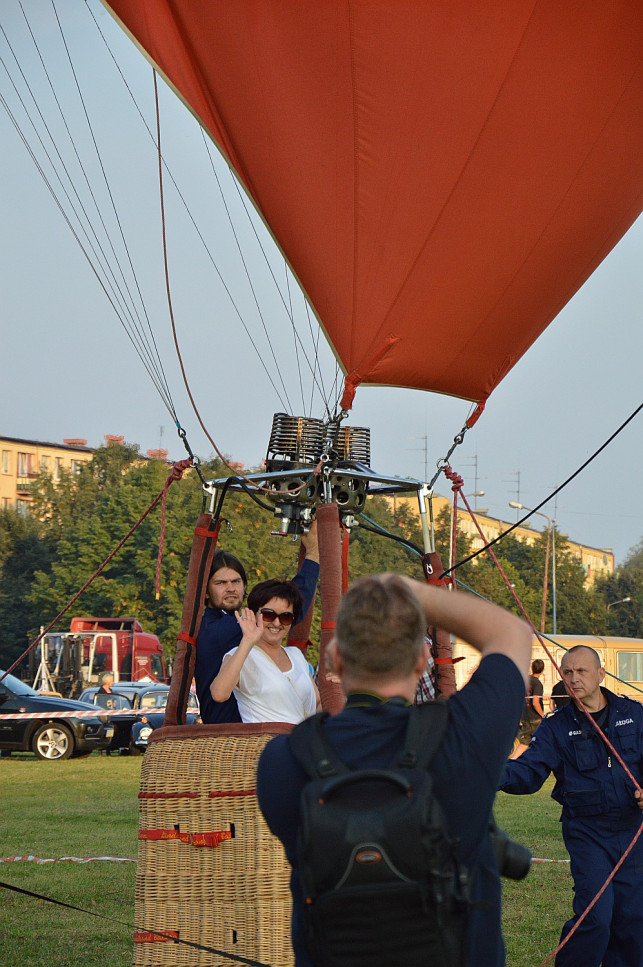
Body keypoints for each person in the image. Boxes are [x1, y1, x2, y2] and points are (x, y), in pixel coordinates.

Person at [256, 573, 531, 967]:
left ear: (334, 660)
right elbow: (512, 633)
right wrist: (410, 591)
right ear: (422, 660)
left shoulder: (282, 761)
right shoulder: (464, 736)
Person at [500, 645, 643, 967]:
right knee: (595, 915)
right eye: (567, 672)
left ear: (601, 674)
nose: (573, 679)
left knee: (632, 919)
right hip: (587, 833)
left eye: (581, 671)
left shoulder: (634, 715)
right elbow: (529, 774)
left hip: (632, 832)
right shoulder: (556, 726)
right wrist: (489, 773)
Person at [194, 522, 319, 723]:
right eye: (220, 583)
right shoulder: (216, 628)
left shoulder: (292, 656)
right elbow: (293, 605)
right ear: (206, 591)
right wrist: (313, 554)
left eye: (236, 582)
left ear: (244, 587)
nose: (230, 588)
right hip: (230, 734)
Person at [210, 578, 321, 724]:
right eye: (269, 615)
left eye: (285, 617)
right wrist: (248, 640)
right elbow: (219, 694)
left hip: (304, 743)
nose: (276, 623)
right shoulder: (240, 656)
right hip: (266, 745)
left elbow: (317, 704)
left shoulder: (295, 655)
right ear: (254, 614)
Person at [510, 657, 545, 758]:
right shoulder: (537, 683)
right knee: (541, 741)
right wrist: (542, 715)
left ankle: (512, 761)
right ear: (542, 670)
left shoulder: (525, 680)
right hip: (534, 718)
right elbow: (535, 702)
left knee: (525, 743)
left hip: (525, 716)